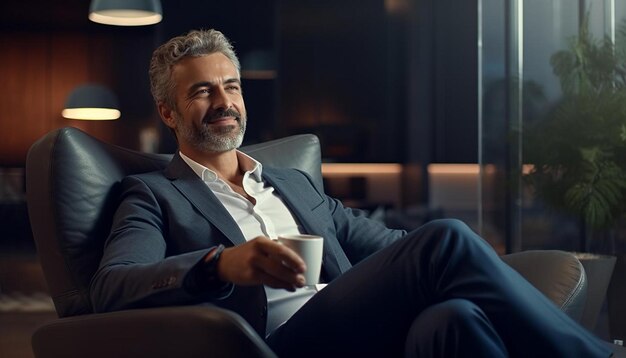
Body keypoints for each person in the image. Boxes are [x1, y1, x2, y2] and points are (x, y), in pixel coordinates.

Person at [89, 29, 612, 357]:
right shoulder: (153, 193)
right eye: (202, 91)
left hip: (357, 328)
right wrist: (221, 265)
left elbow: (395, 250)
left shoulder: (292, 184)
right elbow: (111, 287)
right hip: (275, 343)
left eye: (232, 86)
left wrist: (482, 273)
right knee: (446, 237)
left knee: (455, 320)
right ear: (168, 112)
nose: (224, 101)